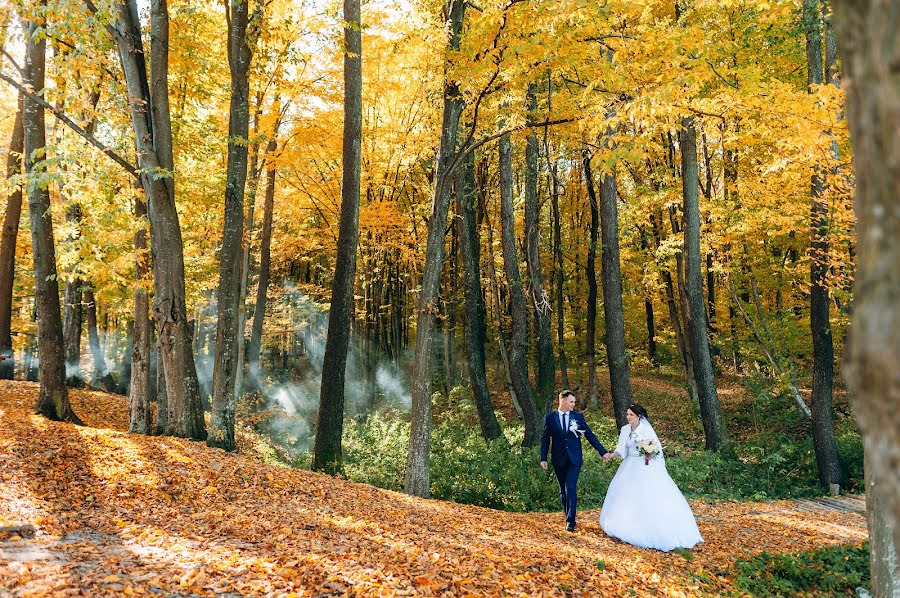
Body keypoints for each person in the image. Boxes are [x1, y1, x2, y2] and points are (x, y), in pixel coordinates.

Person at [599, 404, 703, 551]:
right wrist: (610, 456)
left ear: (639, 416)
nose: (628, 417)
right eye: (627, 414)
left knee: (647, 494)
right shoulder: (625, 430)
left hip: (644, 466)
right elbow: (621, 449)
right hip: (629, 466)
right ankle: (623, 523)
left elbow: (655, 449)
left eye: (631, 415)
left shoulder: (646, 430)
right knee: (624, 494)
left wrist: (649, 453)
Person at [540, 390, 608, 532]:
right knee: (563, 491)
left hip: (574, 458)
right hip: (558, 458)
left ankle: (571, 521)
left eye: (574, 402)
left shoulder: (577, 417)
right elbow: (545, 439)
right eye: (571, 402)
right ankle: (567, 515)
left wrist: (602, 452)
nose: (573, 404)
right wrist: (543, 458)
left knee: (570, 486)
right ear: (563, 401)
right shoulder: (550, 418)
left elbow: (589, 435)